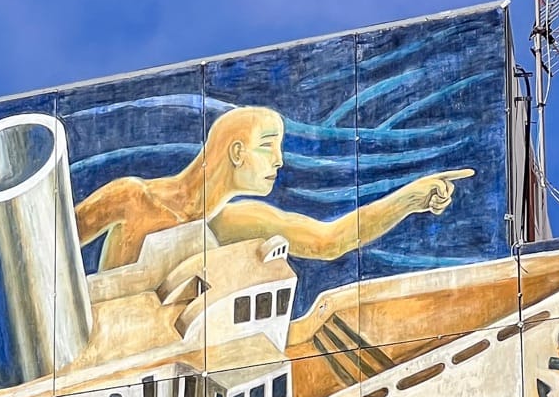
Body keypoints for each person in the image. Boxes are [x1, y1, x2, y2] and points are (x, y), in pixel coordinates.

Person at [72, 105, 473, 273]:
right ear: (236, 152)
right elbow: (49, 249)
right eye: (268, 146)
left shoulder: (231, 222)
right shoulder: (131, 197)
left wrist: (410, 198)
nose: (279, 161)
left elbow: (328, 241)